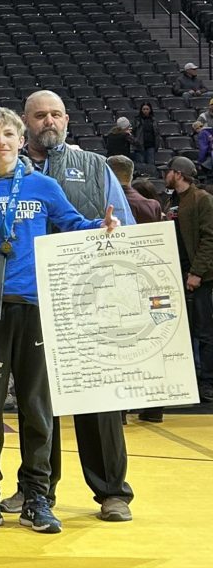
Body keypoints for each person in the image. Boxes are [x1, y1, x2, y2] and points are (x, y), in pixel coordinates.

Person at [0, 106, 119, 535]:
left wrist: (101, 227)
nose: (1, 142)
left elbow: (71, 223)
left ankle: (37, 497)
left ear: (21, 140)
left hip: (37, 308)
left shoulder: (43, 186)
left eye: (8, 134)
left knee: (37, 408)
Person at [11, 90, 137, 524]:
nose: (48, 121)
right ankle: (36, 489)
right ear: (25, 121)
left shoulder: (95, 166)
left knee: (97, 397)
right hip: (29, 299)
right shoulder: (5, 171)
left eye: (56, 114)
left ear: (66, 120)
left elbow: (122, 229)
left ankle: (112, 492)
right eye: (39, 115)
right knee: (35, 400)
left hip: (87, 297)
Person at [107, 155, 166, 423]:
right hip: (150, 278)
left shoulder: (110, 205)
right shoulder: (152, 205)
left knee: (121, 345)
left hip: (120, 280)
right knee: (151, 344)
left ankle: (119, 411)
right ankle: (154, 408)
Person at [163, 156, 213, 404]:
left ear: (178, 174)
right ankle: (186, 381)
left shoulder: (202, 199)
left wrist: (197, 273)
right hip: (175, 274)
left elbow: (209, 239)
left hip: (198, 277)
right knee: (181, 331)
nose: (165, 176)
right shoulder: (170, 201)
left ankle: (207, 383)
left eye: (169, 172)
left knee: (204, 332)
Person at [132, 102, 159, 167]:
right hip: (139, 146)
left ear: (150, 110)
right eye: (144, 109)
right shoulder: (137, 120)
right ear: (141, 110)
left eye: (147, 109)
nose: (145, 111)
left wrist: (157, 144)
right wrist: (135, 141)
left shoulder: (154, 120)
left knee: (151, 165)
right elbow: (132, 132)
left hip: (151, 146)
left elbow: (157, 133)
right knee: (141, 166)